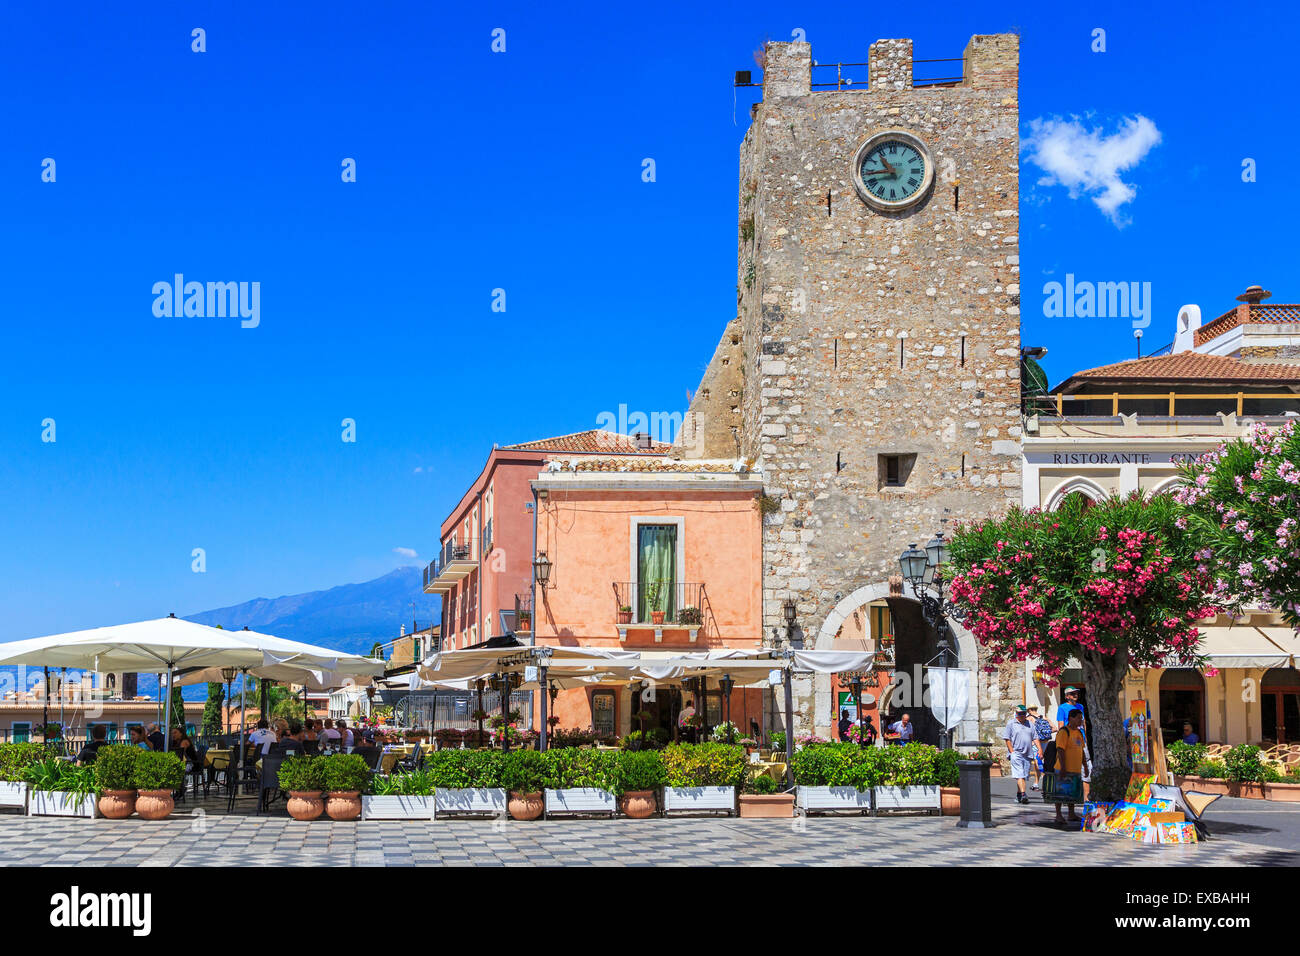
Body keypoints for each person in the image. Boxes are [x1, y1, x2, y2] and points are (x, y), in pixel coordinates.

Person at [1053, 709, 1090, 826]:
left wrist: (1085, 765)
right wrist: (1063, 767)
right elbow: (1060, 749)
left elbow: (1082, 750)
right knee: (1060, 792)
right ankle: (1058, 815)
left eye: (1081, 718)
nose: (1081, 720)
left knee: (1072, 793)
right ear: (1071, 718)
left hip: (1076, 768)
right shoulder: (1064, 732)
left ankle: (1071, 813)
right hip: (1063, 768)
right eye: (1078, 718)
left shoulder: (1079, 733)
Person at [1002, 705, 1038, 805]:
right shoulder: (1011, 724)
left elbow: (1035, 738)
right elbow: (1007, 738)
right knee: (1020, 774)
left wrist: (1040, 750)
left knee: (1023, 776)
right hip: (1016, 753)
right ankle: (1023, 794)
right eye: (1019, 713)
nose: (1021, 715)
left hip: (1027, 753)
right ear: (1016, 714)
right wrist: (1012, 751)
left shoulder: (1030, 724)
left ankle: (1019, 795)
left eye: (1023, 713)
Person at [1028, 705, 1053, 791]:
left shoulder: (1030, 718)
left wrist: (1035, 737)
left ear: (1029, 710)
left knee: (1037, 763)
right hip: (1045, 742)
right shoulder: (1044, 718)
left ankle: (1045, 777)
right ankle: (1036, 783)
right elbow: (1055, 728)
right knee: (1040, 762)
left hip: (1036, 743)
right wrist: (1045, 734)